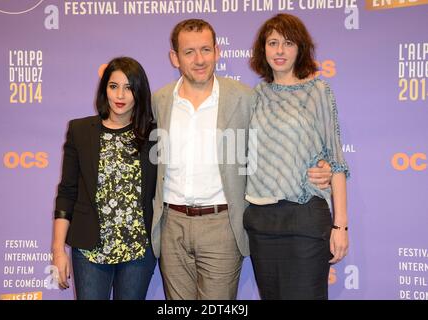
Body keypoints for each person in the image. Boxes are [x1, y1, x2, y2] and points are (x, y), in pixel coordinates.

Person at [150, 19, 333, 300]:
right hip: (171, 224)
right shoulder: (159, 101)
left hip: (221, 225)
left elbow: (279, 139)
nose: (199, 60)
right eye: (189, 52)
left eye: (206, 50)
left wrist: (322, 165)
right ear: (174, 57)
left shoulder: (246, 98)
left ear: (217, 51)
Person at [244, 13, 350, 300]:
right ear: (262, 49)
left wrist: (340, 226)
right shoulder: (256, 96)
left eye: (288, 43)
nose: (279, 51)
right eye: (273, 43)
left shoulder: (318, 92)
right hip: (262, 222)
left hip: (305, 218)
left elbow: (337, 163)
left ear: (300, 48)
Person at [51, 57, 157, 300]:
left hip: (138, 250)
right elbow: (67, 192)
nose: (120, 95)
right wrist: (58, 250)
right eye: (113, 86)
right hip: (90, 250)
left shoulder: (153, 135)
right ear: (104, 89)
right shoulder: (80, 130)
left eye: (129, 88)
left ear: (139, 93)